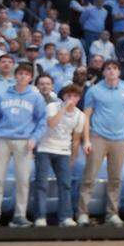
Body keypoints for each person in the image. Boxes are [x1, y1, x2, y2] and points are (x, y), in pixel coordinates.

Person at [0, 62, 47, 226]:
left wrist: (35, 138)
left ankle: (19, 216)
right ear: (15, 75)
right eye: (20, 73)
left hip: (24, 141)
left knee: (23, 180)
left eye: (26, 74)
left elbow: (42, 121)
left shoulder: (36, 97)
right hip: (2, 140)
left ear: (30, 78)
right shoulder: (3, 96)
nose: (22, 76)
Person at [76, 61, 124, 227]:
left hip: (120, 139)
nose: (111, 71)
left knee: (115, 179)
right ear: (103, 72)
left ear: (119, 72)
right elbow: (86, 116)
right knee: (89, 177)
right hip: (98, 137)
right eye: (108, 69)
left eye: (115, 68)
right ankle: (82, 214)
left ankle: (112, 214)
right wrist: (86, 139)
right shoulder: (94, 90)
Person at [32, 84, 85, 227]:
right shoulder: (52, 107)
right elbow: (51, 124)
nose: (71, 99)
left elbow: (76, 139)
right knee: (41, 184)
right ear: (63, 97)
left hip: (63, 151)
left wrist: (73, 157)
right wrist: (63, 109)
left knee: (65, 185)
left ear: (79, 99)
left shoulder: (80, 115)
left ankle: (65, 217)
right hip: (45, 147)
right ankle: (40, 217)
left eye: (75, 96)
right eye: (68, 96)